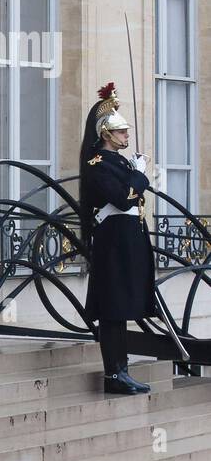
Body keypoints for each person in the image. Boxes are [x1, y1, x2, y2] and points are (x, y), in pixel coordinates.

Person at [79, 83, 155, 395]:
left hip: (127, 242)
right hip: (112, 244)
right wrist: (140, 176)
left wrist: (135, 176)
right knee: (112, 310)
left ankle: (122, 369)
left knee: (122, 309)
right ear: (107, 135)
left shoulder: (119, 162)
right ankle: (114, 374)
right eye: (121, 132)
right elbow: (124, 199)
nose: (126, 136)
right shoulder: (97, 163)